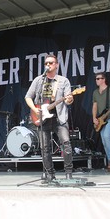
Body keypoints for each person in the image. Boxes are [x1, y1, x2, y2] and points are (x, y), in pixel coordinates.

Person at [25, 54, 74, 182]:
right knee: (45, 148)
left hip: (59, 118)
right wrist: (35, 109)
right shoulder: (38, 80)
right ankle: (50, 174)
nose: (48, 65)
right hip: (42, 118)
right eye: (46, 63)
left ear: (56, 65)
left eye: (51, 63)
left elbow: (68, 100)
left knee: (66, 144)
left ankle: (68, 173)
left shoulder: (63, 81)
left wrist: (69, 99)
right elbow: (28, 97)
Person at [92, 72, 110, 172]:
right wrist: (94, 118)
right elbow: (94, 106)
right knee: (104, 141)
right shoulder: (95, 92)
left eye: (98, 78)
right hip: (101, 119)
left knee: (106, 136)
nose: (97, 80)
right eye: (96, 79)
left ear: (104, 79)